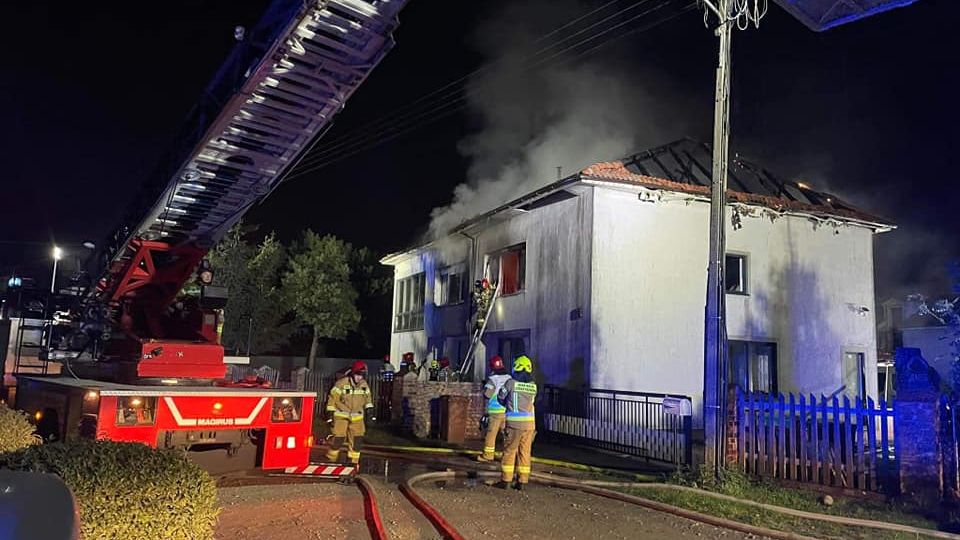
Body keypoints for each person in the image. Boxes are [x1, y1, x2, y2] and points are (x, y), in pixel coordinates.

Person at [496, 355, 537, 490]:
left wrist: (507, 404)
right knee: (525, 452)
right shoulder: (533, 386)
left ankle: (506, 481)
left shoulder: (511, 383)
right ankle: (522, 482)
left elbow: (500, 397)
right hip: (530, 425)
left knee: (510, 451)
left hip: (514, 425)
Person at [324, 361, 375, 467]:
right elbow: (332, 398)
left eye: (362, 375)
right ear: (353, 373)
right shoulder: (341, 383)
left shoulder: (364, 385)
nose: (359, 378)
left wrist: (370, 413)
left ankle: (352, 464)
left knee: (357, 441)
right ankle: (330, 460)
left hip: (357, 418)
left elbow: (368, 400)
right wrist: (329, 413)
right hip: (341, 416)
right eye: (357, 375)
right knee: (338, 439)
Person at [477, 355, 511, 462]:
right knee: (506, 435)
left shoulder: (492, 379)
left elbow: (487, 394)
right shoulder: (509, 378)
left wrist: (485, 387)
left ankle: (488, 455)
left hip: (495, 412)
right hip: (506, 411)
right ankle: (507, 456)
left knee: (491, 434)